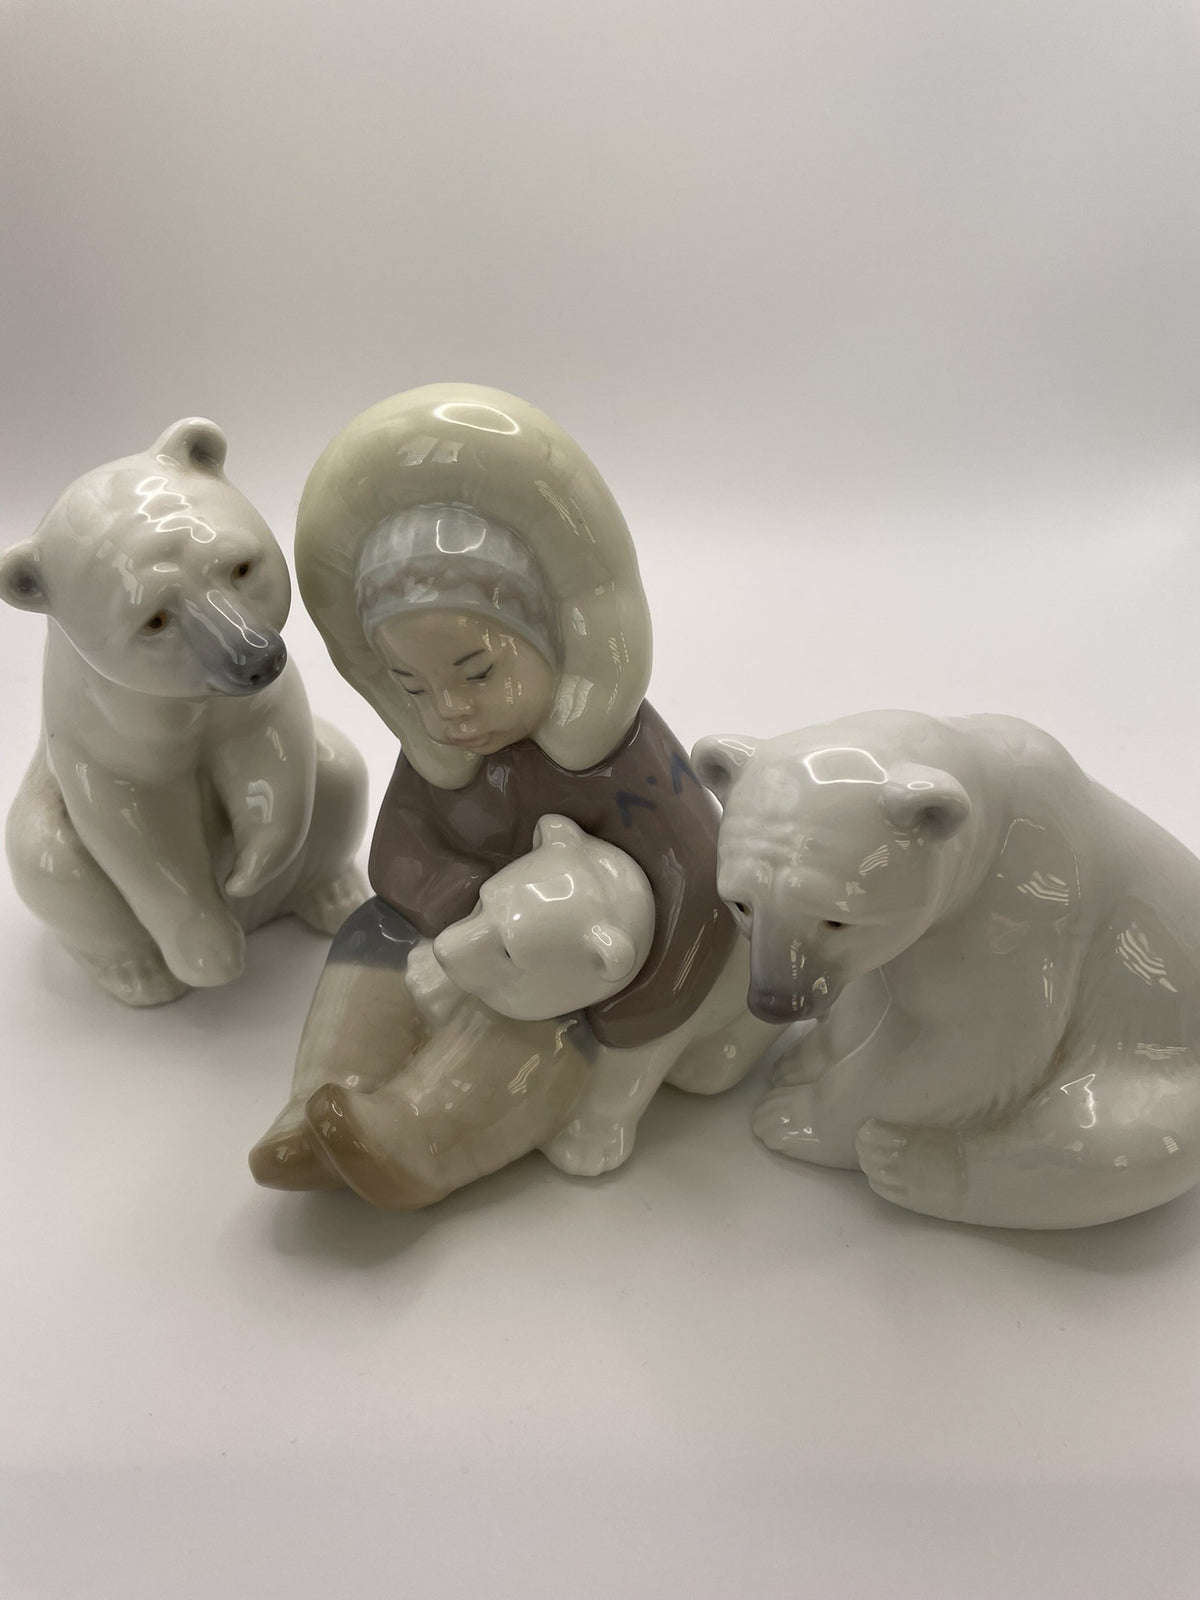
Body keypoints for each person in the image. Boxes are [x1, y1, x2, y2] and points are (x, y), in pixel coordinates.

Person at [248, 385, 756, 1205]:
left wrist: (586, 992)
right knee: (374, 928)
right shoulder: (447, 750)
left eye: (477, 672)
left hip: (578, 966)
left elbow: (701, 895)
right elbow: (399, 853)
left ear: (550, 636)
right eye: (413, 686)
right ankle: (316, 1099)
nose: (449, 710)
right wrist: (459, 926)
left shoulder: (626, 760)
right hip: (481, 934)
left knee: (538, 998)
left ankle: (417, 1140)